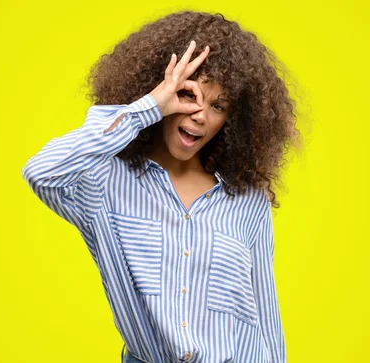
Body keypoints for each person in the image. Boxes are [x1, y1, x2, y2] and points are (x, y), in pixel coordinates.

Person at [22, 10, 301, 363]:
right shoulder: (105, 183)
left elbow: (264, 318)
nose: (201, 115)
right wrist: (150, 107)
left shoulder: (247, 202)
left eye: (218, 106)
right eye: (190, 95)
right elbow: (43, 171)